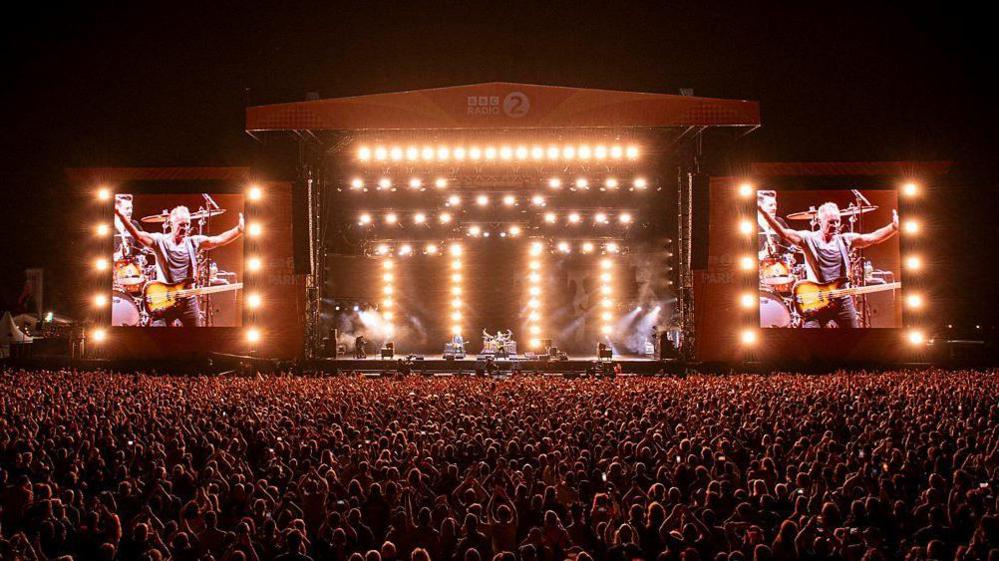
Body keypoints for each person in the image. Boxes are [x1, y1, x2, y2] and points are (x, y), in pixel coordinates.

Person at [759, 201, 898, 328]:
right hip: (816, 300)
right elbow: (784, 234)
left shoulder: (845, 240)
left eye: (837, 222)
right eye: (831, 222)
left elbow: (872, 238)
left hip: (842, 299)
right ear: (819, 221)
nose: (835, 226)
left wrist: (893, 227)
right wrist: (765, 214)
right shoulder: (808, 238)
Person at [115, 204, 244, 327]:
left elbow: (219, 240)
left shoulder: (193, 242)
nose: (185, 228)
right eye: (181, 225)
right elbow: (138, 236)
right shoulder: (160, 241)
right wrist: (121, 216)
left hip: (188, 299)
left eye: (187, 224)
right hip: (165, 298)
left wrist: (238, 230)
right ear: (171, 224)